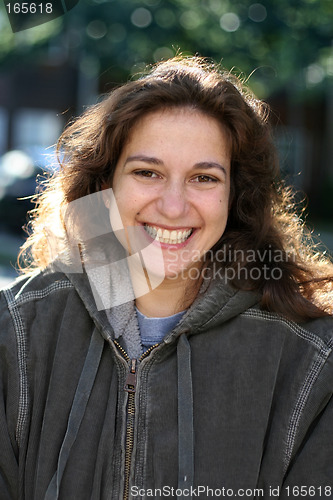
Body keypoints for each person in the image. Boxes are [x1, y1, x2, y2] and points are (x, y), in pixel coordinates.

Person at [1, 56, 333, 500]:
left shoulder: (312, 360)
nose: (173, 207)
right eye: (147, 172)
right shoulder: (16, 333)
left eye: (203, 177)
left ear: (236, 195)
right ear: (106, 184)